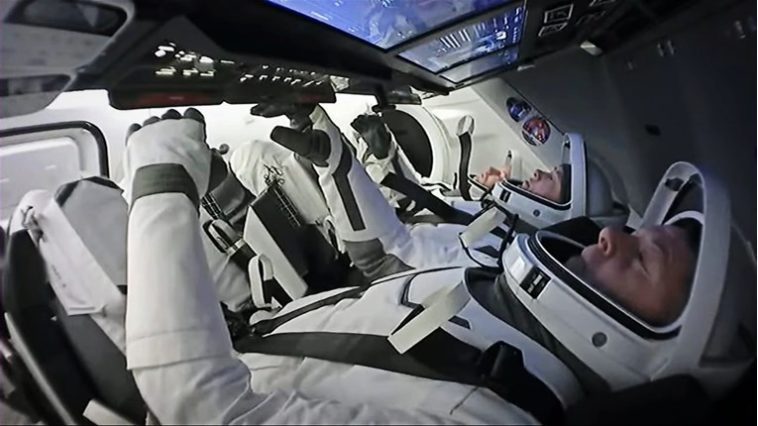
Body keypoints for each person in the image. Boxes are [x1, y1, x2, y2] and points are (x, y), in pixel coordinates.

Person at [122, 106, 736, 425]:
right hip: (238, 345)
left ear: (658, 342)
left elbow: (203, 412)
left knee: (77, 213)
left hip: (155, 391)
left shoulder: (492, 413)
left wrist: (161, 181)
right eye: (636, 232)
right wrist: (338, 163)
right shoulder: (510, 318)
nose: (612, 238)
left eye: (645, 257)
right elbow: (387, 259)